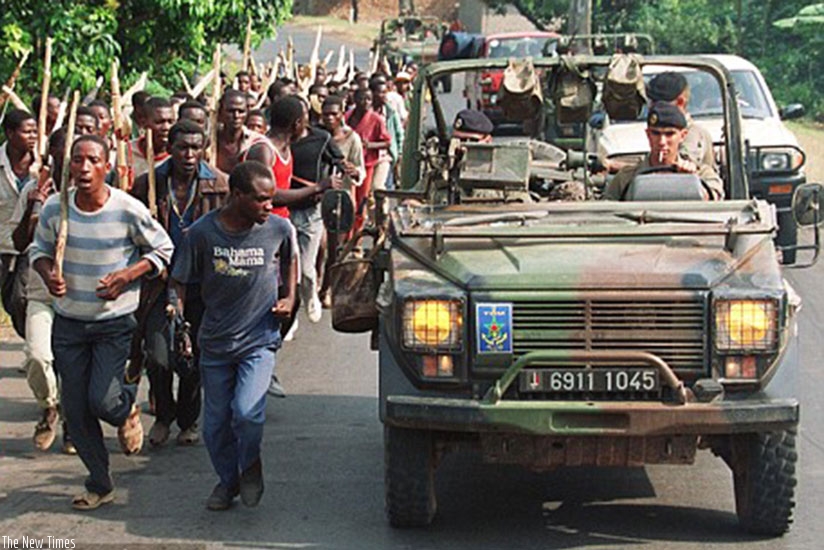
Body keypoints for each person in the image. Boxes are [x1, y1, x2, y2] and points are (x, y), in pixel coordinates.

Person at [30, 135, 174, 511]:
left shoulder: (127, 209)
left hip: (114, 322)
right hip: (70, 323)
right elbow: (38, 251)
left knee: (104, 400)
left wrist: (128, 275)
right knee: (75, 412)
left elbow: (163, 249)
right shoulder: (55, 209)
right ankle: (99, 481)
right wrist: (49, 274)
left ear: (107, 165)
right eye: (77, 160)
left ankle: (126, 408)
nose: (84, 168)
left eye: (92, 160)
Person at [170, 160, 297, 511]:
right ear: (237, 195)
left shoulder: (279, 229)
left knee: (247, 412)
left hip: (258, 340)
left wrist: (289, 296)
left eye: (271, 199)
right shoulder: (201, 233)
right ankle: (228, 482)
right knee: (214, 427)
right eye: (261, 199)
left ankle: (251, 463)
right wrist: (177, 316)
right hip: (215, 343)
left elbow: (290, 262)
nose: (269, 206)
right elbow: (179, 280)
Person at [131, 120, 229, 447]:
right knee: (158, 355)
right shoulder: (149, 184)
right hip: (159, 283)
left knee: (194, 356)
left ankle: (189, 420)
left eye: (195, 147)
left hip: (202, 285)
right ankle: (163, 415)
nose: (189, 154)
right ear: (169, 148)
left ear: (204, 148)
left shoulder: (219, 185)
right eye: (181, 147)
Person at [245, 96, 338, 396]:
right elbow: (268, 196)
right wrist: (316, 188)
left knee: (291, 299)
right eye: (304, 120)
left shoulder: (286, 149)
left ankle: (266, 357)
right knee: (262, 301)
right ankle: (255, 361)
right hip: (261, 233)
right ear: (297, 123)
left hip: (283, 232)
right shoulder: (264, 150)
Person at [10, 128, 75, 454]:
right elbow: (20, 243)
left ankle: (75, 425)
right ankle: (49, 407)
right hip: (41, 291)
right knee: (38, 356)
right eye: (63, 155)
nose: (70, 163)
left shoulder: (100, 194)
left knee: (76, 369)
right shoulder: (36, 190)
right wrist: (31, 210)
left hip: (82, 296)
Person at [289, 98, 345, 324]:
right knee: (287, 268)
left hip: (312, 211)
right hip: (285, 210)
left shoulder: (321, 138)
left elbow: (338, 160)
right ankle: (290, 319)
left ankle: (311, 295)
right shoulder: (279, 141)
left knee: (306, 269)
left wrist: (342, 172)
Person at [603, 102, 724, 201]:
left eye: (669, 134)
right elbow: (608, 215)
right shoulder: (626, 178)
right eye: (656, 133)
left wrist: (692, 182)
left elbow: (715, 202)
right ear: (648, 135)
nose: (662, 141)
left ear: (683, 136)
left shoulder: (703, 174)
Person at [318, 94, 365, 306]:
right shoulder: (315, 136)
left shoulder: (352, 138)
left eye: (333, 114)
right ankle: (316, 282)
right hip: (316, 197)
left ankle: (327, 288)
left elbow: (360, 169)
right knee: (320, 246)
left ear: (341, 115)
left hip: (340, 199)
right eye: (325, 114)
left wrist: (353, 171)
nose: (329, 118)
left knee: (334, 248)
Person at [647, 72, 715, 169]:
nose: (653, 107)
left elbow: (673, 165)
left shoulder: (693, 134)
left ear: (680, 102)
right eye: (651, 102)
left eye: (660, 103)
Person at [346, 88, 391, 234]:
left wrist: (370, 145)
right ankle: (346, 234)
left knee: (362, 201)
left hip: (366, 165)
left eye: (368, 99)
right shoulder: (348, 117)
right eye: (362, 99)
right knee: (347, 201)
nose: (365, 103)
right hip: (348, 165)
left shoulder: (376, 119)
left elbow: (387, 142)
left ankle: (357, 237)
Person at [216, 89, 263, 174]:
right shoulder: (210, 141)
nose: (236, 116)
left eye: (241, 111)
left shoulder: (256, 143)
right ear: (220, 111)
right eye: (231, 111)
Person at [370, 80, 404, 191]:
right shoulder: (365, 113)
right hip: (368, 158)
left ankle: (383, 208)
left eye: (386, 92)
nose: (385, 96)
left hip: (386, 157)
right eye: (381, 92)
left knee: (381, 189)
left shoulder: (391, 112)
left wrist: (399, 153)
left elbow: (399, 133)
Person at [130, 97, 174, 180]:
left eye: (170, 122)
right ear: (143, 123)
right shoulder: (127, 151)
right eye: (159, 122)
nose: (166, 127)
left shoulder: (177, 156)